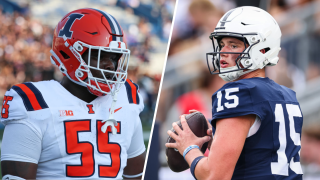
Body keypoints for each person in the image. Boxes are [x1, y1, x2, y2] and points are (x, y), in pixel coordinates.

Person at [1, 8, 145, 179]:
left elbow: (136, 175)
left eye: (114, 57)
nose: (110, 66)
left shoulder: (126, 98)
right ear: (70, 54)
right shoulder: (33, 103)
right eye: (100, 56)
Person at [166, 6, 303, 180]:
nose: (222, 52)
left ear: (262, 49)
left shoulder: (237, 92)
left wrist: (188, 148)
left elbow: (214, 176)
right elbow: (258, 156)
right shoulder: (288, 95)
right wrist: (218, 138)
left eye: (233, 44)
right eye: (222, 44)